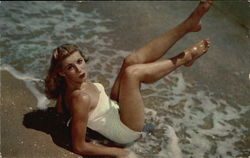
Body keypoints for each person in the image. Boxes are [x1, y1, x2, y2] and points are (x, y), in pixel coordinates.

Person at [45, 0, 213, 157]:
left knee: (130, 61)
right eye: (70, 67)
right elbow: (79, 147)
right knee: (133, 74)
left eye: (79, 61)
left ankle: (188, 25)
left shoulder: (66, 87)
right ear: (61, 72)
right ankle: (185, 58)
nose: (79, 69)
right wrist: (119, 153)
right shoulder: (79, 98)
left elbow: (61, 110)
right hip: (126, 130)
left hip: (114, 108)